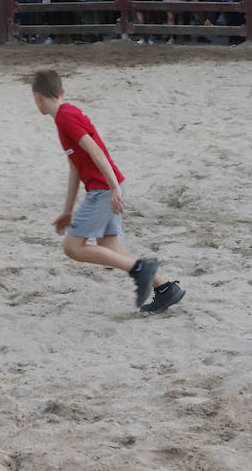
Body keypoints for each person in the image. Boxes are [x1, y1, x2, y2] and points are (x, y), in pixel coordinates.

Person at [31, 68, 184, 313]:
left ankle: (141, 270)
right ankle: (165, 288)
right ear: (62, 91)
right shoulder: (65, 117)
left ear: (37, 97)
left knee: (72, 247)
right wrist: (68, 211)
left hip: (105, 189)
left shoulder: (65, 117)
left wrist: (113, 188)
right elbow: (75, 169)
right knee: (110, 248)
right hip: (108, 186)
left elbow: (96, 151)